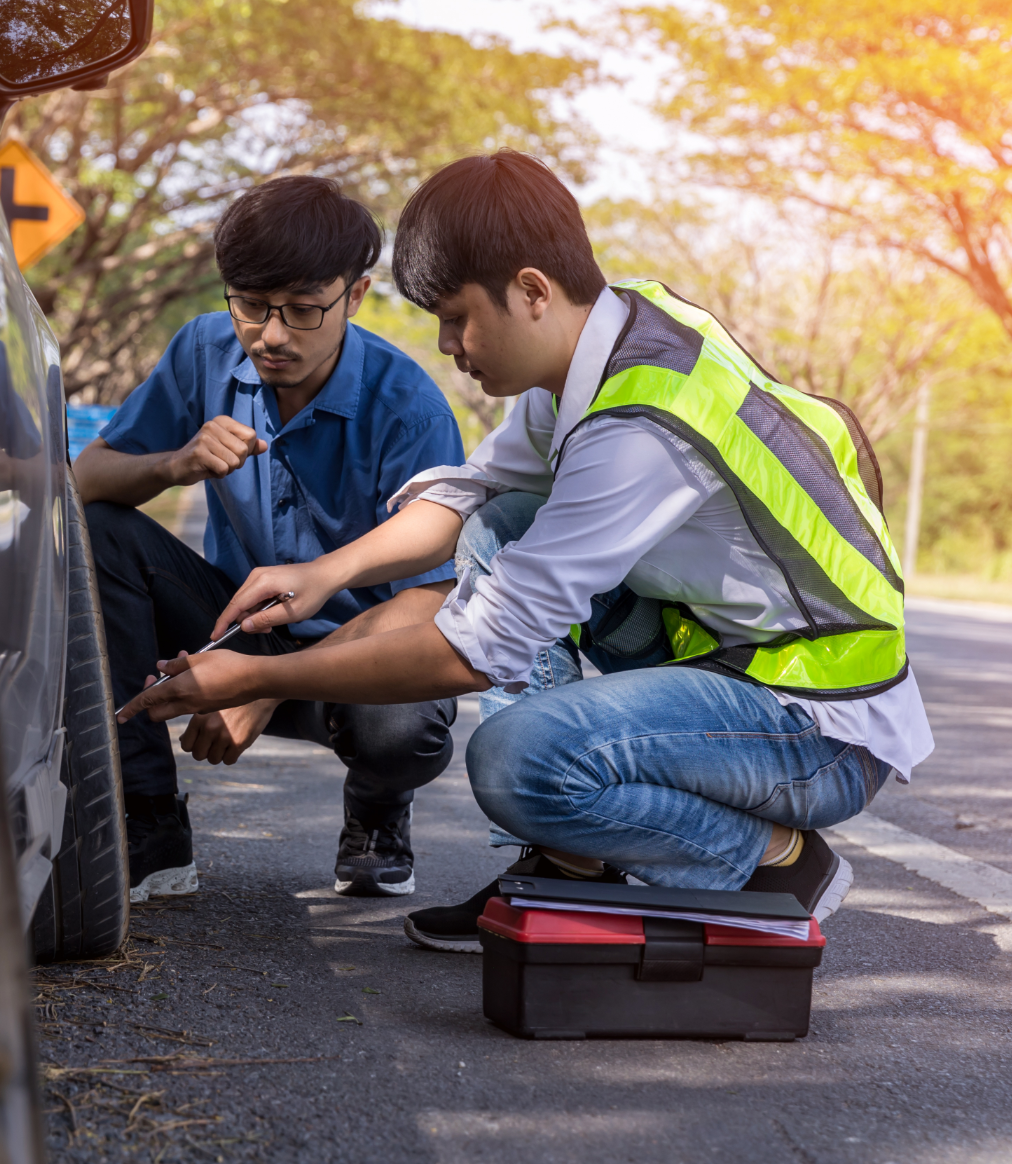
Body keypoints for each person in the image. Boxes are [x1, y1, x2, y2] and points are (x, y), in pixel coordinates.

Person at [115, 151, 932, 951]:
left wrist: (256, 675)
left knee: (517, 762)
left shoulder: (637, 426)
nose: (446, 344)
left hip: (816, 722)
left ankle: (776, 859)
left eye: (456, 317)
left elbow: (479, 651)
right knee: (501, 521)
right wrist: (327, 573)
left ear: (532, 292)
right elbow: (467, 495)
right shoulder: (612, 333)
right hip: (729, 660)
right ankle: (566, 867)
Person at [75, 175, 468, 902]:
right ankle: (148, 819)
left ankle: (379, 809)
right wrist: (175, 462)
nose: (272, 335)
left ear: (355, 296)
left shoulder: (408, 406)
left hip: (361, 658)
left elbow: (439, 596)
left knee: (403, 730)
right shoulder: (204, 349)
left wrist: (263, 685)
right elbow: (86, 478)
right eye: (251, 306)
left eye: (302, 310)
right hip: (236, 625)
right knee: (99, 535)